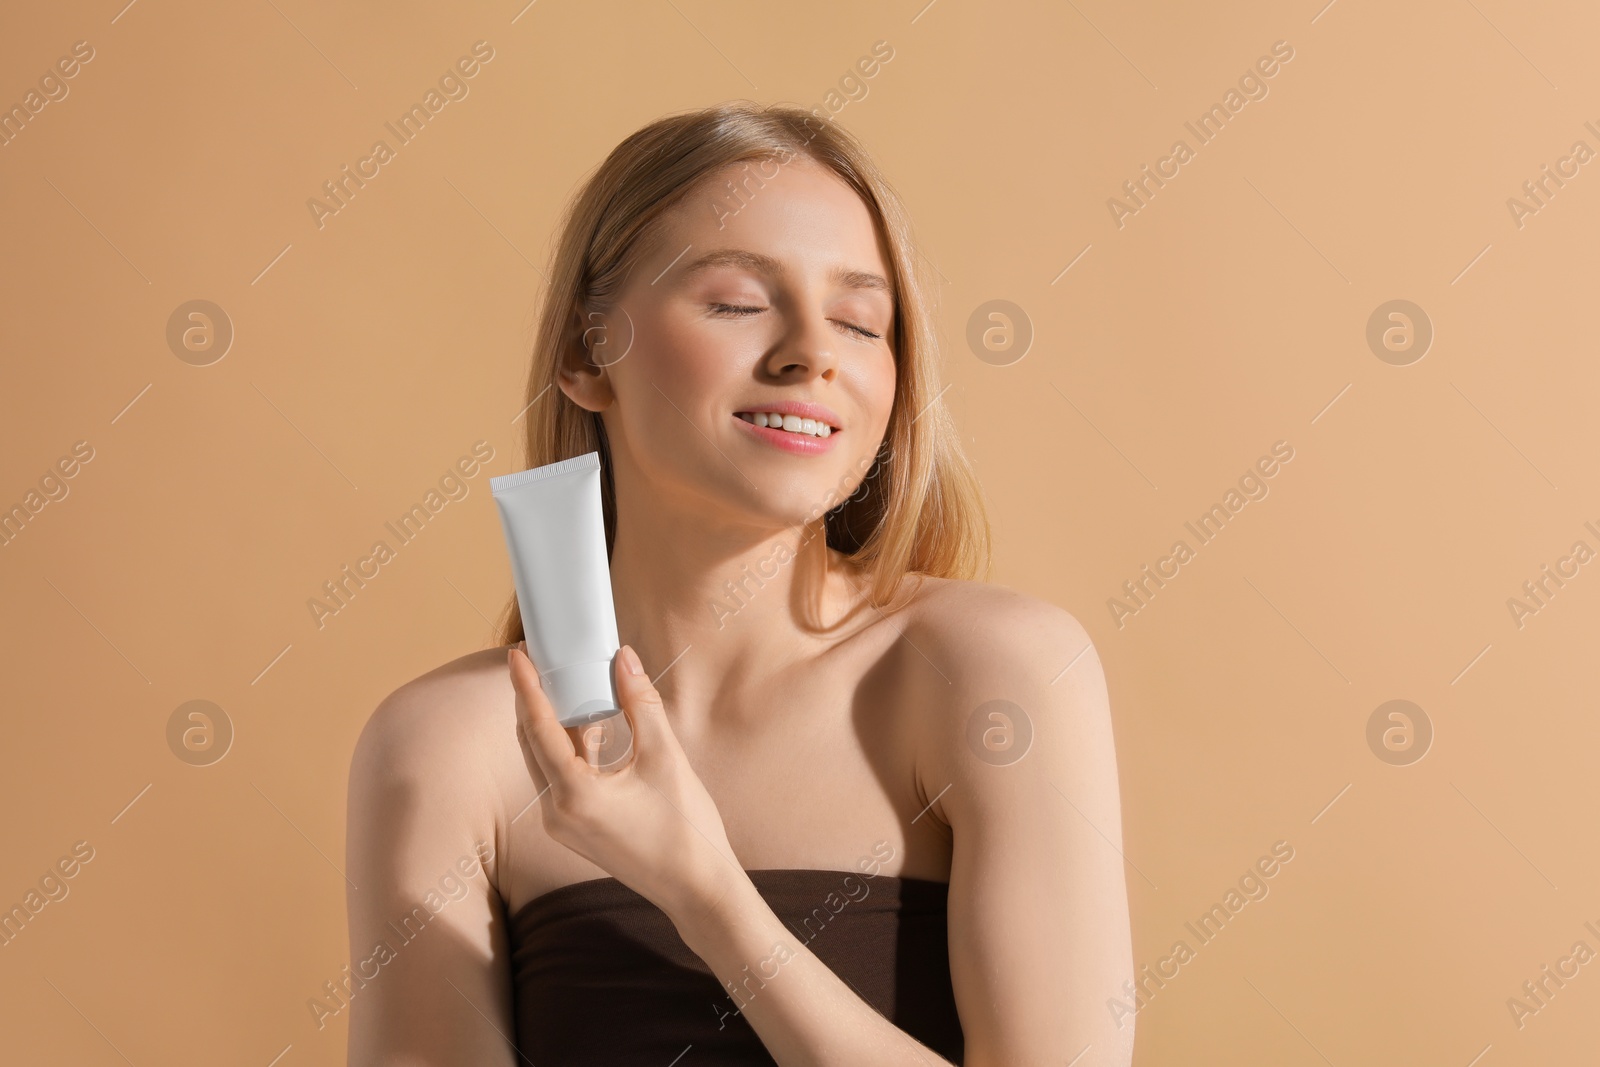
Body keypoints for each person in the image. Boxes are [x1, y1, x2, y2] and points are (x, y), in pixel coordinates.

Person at [344, 100, 1133, 1066]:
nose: (814, 351)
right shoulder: (447, 747)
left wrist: (706, 893)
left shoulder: (989, 673)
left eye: (860, 319)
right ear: (588, 354)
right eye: (736, 302)